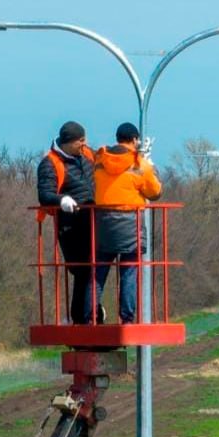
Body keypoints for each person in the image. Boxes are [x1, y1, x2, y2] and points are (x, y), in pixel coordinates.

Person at [91, 122, 162, 324]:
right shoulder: (139, 164)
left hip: (103, 223)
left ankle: (88, 316)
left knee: (98, 271)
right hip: (131, 223)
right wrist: (151, 164)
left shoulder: (101, 160)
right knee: (129, 271)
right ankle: (127, 318)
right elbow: (155, 192)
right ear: (134, 140)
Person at [37, 121, 97, 324]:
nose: (85, 144)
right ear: (68, 142)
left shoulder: (87, 155)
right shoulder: (50, 163)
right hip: (71, 227)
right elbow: (45, 195)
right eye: (81, 140)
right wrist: (61, 200)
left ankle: (92, 313)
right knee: (82, 270)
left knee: (95, 269)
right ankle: (82, 319)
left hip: (92, 223)